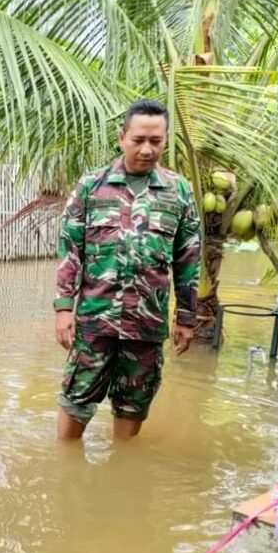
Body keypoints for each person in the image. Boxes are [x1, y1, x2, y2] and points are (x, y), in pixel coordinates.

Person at [53, 99, 200, 441]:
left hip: (146, 324)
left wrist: (187, 318)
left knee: (133, 405)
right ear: (122, 137)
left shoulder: (179, 191)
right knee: (76, 400)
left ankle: (120, 475)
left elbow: (188, 258)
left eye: (156, 141)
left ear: (165, 141)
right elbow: (70, 250)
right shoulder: (91, 186)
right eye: (139, 140)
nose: (147, 149)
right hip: (95, 319)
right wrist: (63, 309)